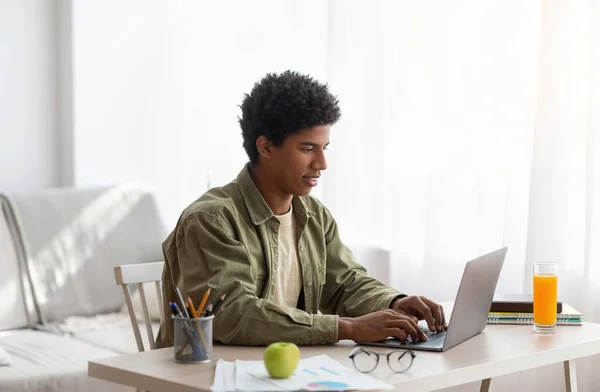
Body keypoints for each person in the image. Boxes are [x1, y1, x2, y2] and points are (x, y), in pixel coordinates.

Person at [156, 70, 446, 348]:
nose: (321, 164)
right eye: (308, 149)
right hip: (209, 377)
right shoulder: (211, 220)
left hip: (279, 372)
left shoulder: (314, 216)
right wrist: (346, 328)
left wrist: (393, 302)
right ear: (266, 147)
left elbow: (345, 284)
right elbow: (232, 314)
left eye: (325, 148)